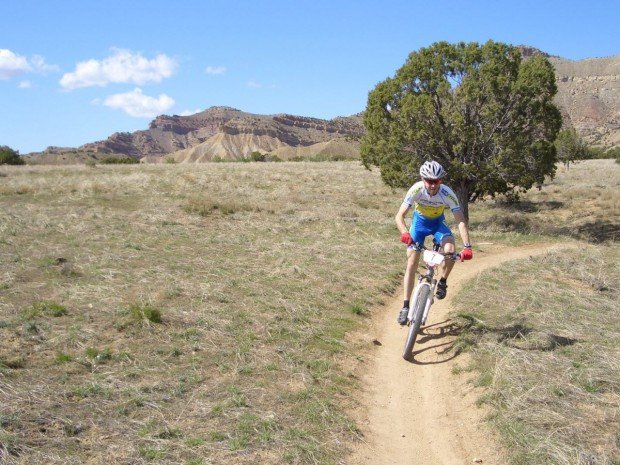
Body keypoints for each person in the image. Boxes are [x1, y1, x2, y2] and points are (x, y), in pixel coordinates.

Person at [395, 160, 473, 325]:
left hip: (438, 224)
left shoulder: (447, 193)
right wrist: (404, 233)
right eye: (429, 181)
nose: (432, 185)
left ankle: (443, 281)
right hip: (419, 224)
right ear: (423, 179)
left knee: (450, 250)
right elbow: (399, 216)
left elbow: (460, 221)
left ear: (441, 181)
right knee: (412, 261)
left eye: (436, 181)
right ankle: (406, 306)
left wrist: (467, 246)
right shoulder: (416, 189)